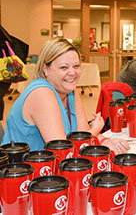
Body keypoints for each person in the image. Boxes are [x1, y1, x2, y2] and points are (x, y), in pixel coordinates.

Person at [1, 38, 129, 154]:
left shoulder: (71, 91)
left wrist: (105, 141)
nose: (72, 73)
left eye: (76, 66)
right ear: (45, 69)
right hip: (23, 174)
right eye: (63, 67)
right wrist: (94, 131)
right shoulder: (41, 94)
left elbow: (82, 131)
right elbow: (62, 152)